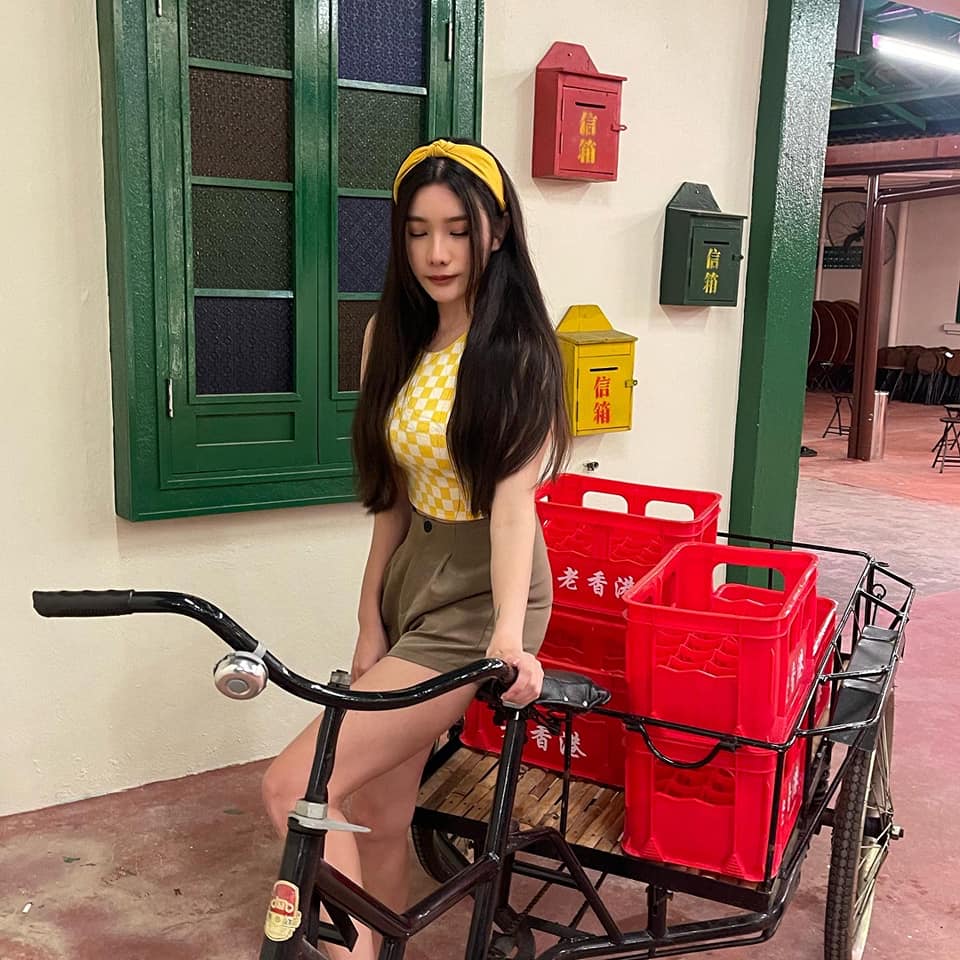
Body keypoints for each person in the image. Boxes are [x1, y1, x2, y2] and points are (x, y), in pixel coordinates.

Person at [261, 138, 571, 959]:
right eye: (419, 232)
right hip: (412, 580)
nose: (438, 253)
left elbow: (512, 512)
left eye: (458, 231)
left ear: (496, 232)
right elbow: (392, 503)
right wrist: (370, 618)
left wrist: (507, 637)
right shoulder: (389, 341)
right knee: (377, 814)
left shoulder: (518, 356)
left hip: (480, 594)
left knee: (294, 787)